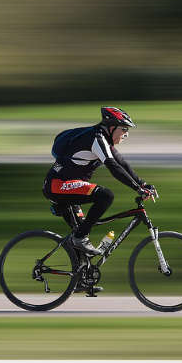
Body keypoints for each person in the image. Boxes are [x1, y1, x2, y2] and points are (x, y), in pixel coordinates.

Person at [43, 106, 158, 255]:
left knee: (82, 245)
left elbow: (121, 163)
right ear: (111, 127)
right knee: (106, 195)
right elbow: (113, 167)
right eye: (124, 129)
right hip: (57, 186)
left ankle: (81, 271)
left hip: (65, 186)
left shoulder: (103, 139)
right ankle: (80, 238)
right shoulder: (96, 138)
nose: (126, 135)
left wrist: (141, 183)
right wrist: (137, 189)